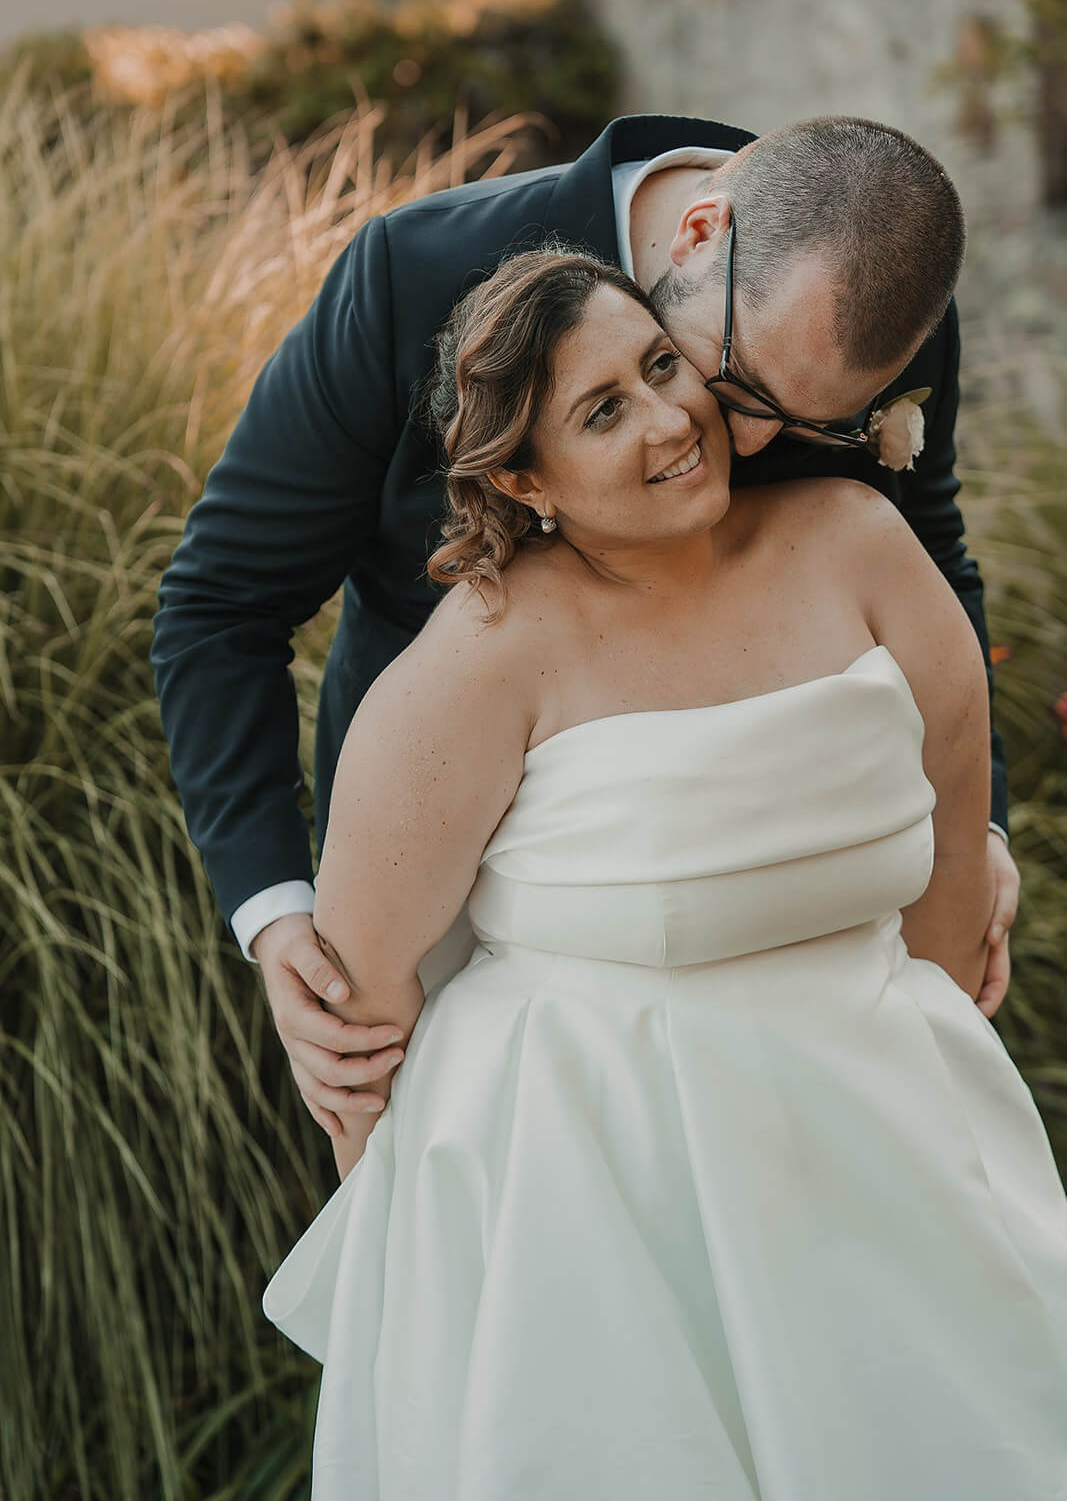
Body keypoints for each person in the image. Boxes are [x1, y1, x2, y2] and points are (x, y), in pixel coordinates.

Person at [261, 245, 1067, 1499]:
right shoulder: (481, 656)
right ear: (524, 480)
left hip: (876, 1148)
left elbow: (952, 860)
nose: (666, 419)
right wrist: (419, 1289)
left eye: (657, 366)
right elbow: (360, 1016)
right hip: (585, 1210)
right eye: (601, 411)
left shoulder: (857, 540)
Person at [151, 114, 1020, 1144]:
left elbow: (929, 557)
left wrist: (974, 830)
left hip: (795, 929)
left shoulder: (876, 290)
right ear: (697, 234)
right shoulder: (406, 277)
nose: (742, 441)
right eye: (736, 387)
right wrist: (272, 904)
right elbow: (221, 603)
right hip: (440, 887)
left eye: (806, 426)